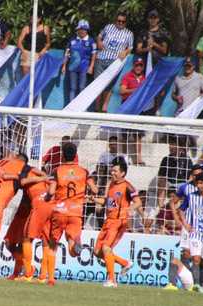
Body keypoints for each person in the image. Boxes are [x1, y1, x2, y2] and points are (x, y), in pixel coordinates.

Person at [46, 143, 98, 286]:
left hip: (60, 211)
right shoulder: (84, 171)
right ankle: (75, 247)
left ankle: (50, 279)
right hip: (76, 212)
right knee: (71, 242)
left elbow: (51, 192)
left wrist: (47, 197)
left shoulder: (57, 171)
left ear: (63, 155)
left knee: (53, 245)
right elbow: (94, 190)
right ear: (76, 156)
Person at [90, 158, 142, 287]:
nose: (112, 173)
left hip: (119, 222)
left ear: (123, 173)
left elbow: (138, 202)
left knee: (106, 248)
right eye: (112, 170)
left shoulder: (127, 186)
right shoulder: (112, 185)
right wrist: (94, 199)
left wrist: (129, 209)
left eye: (115, 171)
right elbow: (108, 202)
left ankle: (112, 280)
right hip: (108, 221)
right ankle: (125, 263)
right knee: (97, 252)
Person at [165, 163, 203, 290]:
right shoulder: (185, 187)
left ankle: (198, 283)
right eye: (195, 175)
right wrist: (177, 219)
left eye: (199, 175)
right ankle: (188, 282)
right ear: (191, 175)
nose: (197, 177)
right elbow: (173, 202)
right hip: (188, 227)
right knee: (187, 253)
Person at [95, 12, 133, 112]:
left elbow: (131, 47)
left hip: (115, 62)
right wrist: (99, 42)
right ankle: (96, 108)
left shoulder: (129, 34)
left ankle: (104, 108)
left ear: (126, 23)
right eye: (119, 21)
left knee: (109, 86)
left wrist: (125, 51)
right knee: (97, 84)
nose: (120, 23)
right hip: (101, 58)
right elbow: (99, 36)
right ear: (115, 20)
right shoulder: (108, 27)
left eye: (123, 22)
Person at [119, 57, 146, 165]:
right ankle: (124, 157)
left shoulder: (145, 78)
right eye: (137, 65)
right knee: (125, 134)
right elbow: (122, 91)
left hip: (139, 109)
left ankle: (138, 158)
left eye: (140, 65)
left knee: (138, 134)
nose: (138, 67)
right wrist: (135, 91)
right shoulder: (127, 76)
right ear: (133, 66)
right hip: (128, 108)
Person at [62, 20, 97, 101]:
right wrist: (64, 65)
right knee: (72, 88)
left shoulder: (91, 41)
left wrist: (91, 67)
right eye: (80, 29)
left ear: (87, 30)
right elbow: (67, 53)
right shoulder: (72, 40)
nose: (82, 31)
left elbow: (94, 54)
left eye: (84, 29)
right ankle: (71, 109)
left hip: (84, 68)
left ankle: (81, 110)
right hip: (72, 67)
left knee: (82, 88)